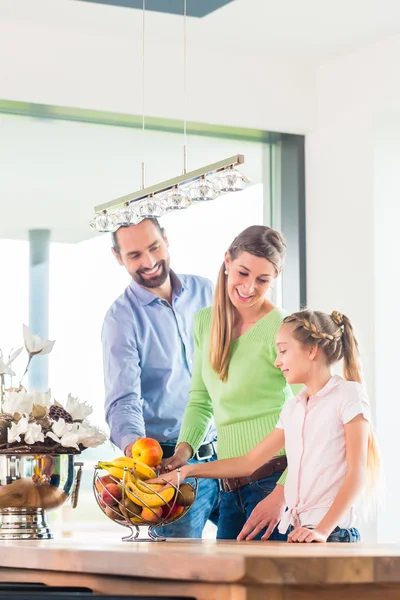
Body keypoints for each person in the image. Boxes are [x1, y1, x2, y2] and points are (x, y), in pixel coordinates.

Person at [150, 309, 380, 543]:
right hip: (300, 534)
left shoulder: (348, 395)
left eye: (283, 350)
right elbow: (249, 462)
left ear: (311, 351)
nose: (277, 361)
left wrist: (322, 530)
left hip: (332, 535)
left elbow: (357, 472)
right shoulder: (293, 408)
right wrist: (187, 471)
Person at [161, 225, 295, 541]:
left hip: (273, 480)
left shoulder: (282, 328)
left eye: (262, 280)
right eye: (243, 273)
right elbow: (200, 398)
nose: (249, 287)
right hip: (230, 485)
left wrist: (282, 494)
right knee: (229, 589)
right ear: (227, 262)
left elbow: (315, 412)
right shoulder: (205, 322)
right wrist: (182, 453)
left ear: (275, 279)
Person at [101, 217, 220, 538]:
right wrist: (137, 453)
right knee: (177, 571)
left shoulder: (206, 291)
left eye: (154, 247)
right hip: (168, 462)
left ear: (166, 239)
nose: (149, 262)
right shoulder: (121, 319)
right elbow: (122, 399)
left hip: (227, 453)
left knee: (257, 556)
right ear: (118, 258)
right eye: (135, 255)